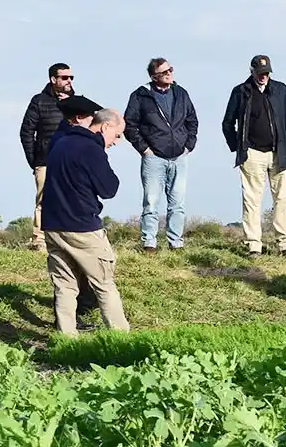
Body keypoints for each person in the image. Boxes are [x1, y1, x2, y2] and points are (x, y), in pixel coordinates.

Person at [40, 97, 130, 335]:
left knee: (65, 286)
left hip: (52, 224)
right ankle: (122, 339)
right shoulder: (91, 149)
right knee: (104, 285)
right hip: (82, 227)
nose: (116, 141)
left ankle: (66, 340)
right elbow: (109, 189)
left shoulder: (59, 142)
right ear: (105, 126)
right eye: (117, 135)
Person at [222, 54, 286, 256]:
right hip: (252, 153)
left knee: (282, 199)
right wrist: (238, 146)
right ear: (252, 71)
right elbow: (227, 124)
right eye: (259, 73)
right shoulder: (240, 92)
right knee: (251, 200)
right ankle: (254, 244)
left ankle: (285, 244)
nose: (263, 76)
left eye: (266, 73)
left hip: (279, 152)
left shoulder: (281, 90)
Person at [124, 58, 199, 252]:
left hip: (179, 157)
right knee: (151, 202)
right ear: (153, 76)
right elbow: (129, 125)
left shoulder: (181, 93)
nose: (169, 74)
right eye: (164, 72)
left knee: (178, 203)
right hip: (153, 158)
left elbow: (192, 120)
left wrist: (188, 146)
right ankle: (149, 242)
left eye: (170, 70)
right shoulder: (140, 96)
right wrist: (144, 150)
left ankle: (176, 243)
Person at [19, 63, 75, 250]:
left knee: (70, 199)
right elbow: (26, 132)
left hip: (70, 161)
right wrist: (33, 160)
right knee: (43, 201)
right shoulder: (39, 101)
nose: (69, 81)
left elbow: (85, 126)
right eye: (65, 77)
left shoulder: (77, 102)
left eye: (71, 77)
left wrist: (69, 103)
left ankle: (67, 239)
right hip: (45, 160)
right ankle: (39, 240)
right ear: (53, 79)